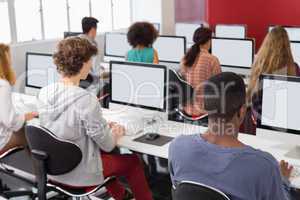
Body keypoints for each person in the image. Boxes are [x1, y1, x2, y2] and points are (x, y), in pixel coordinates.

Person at [37, 37, 153, 200]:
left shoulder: (44, 92)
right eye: (89, 60)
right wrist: (115, 133)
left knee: (100, 156)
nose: (91, 65)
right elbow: (107, 145)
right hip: (80, 173)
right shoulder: (86, 99)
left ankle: (122, 195)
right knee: (132, 161)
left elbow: (70, 127)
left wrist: (102, 126)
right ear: (82, 63)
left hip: (53, 169)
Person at [169, 72, 294, 200]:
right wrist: (283, 181)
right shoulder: (264, 166)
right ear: (242, 111)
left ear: (205, 107)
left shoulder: (177, 147)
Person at [0, 43, 38, 155]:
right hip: (1, 141)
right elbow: (10, 121)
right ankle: (38, 171)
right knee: (31, 133)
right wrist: (25, 116)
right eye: (8, 58)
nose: (11, 61)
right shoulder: (3, 85)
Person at [180, 27, 221, 117]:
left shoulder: (185, 58)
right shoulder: (212, 60)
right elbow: (219, 88)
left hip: (186, 111)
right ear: (209, 41)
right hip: (204, 112)